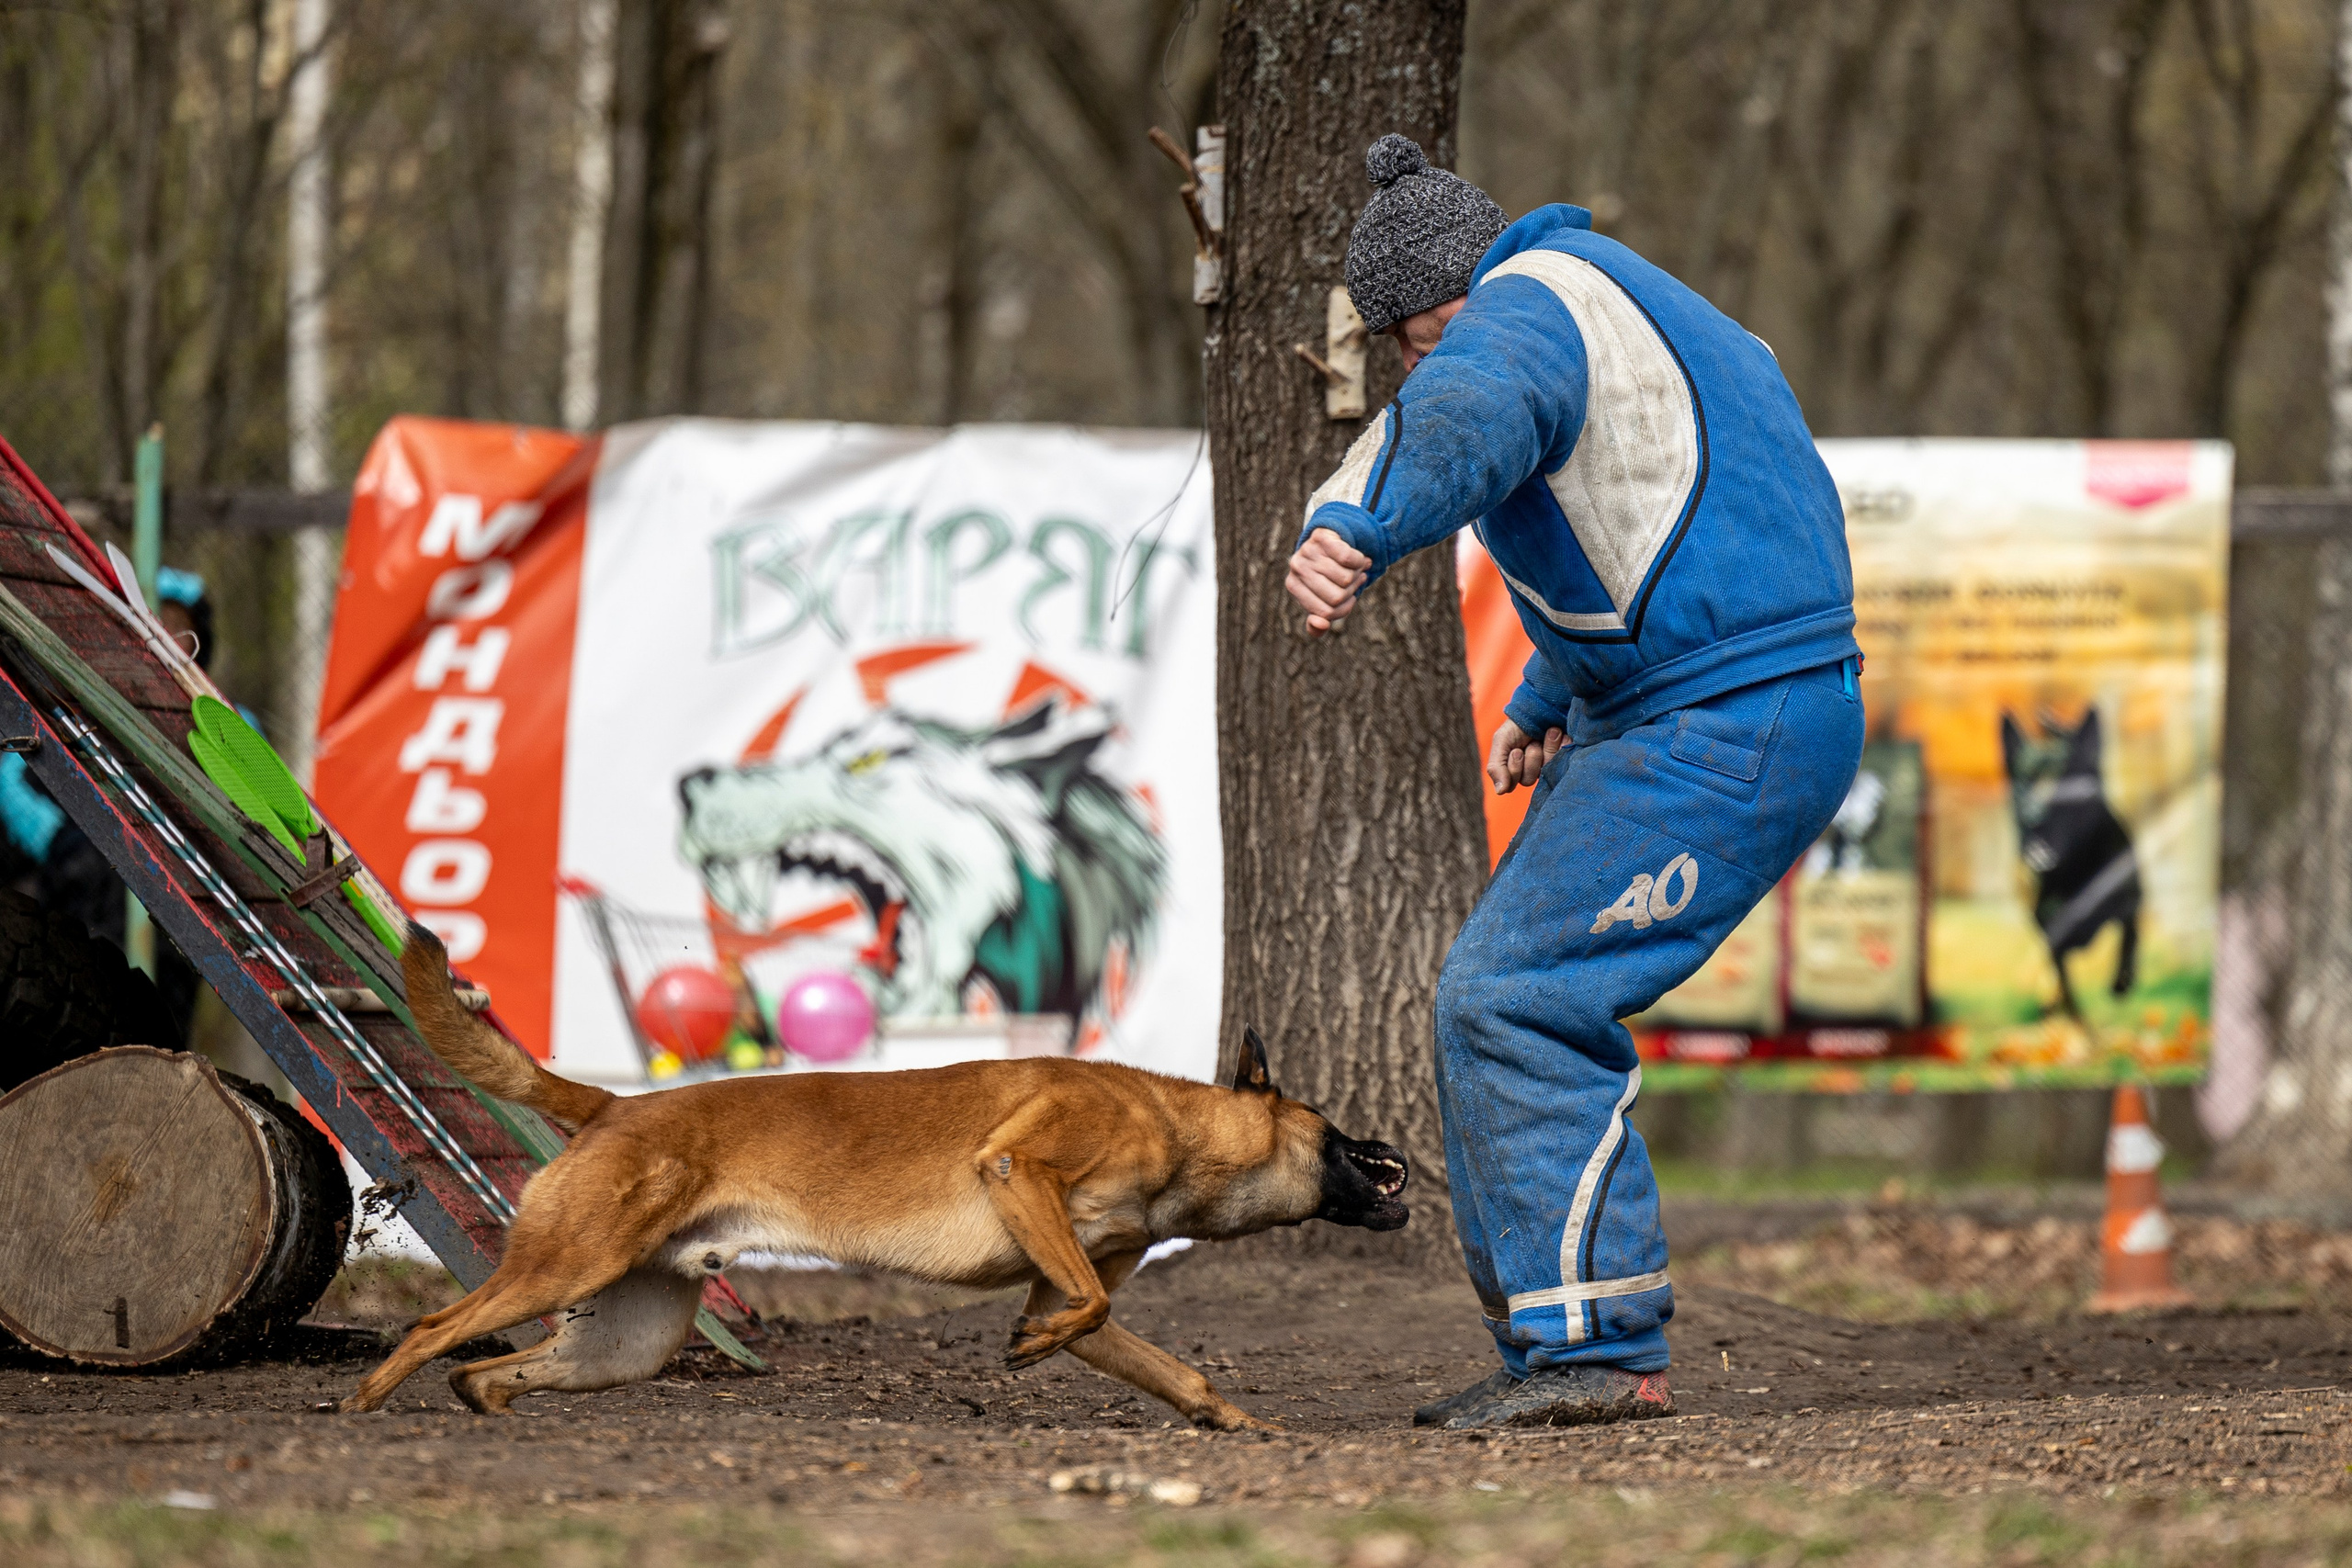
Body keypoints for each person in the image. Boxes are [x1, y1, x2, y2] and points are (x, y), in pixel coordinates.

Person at [1284, 135, 1863, 1429]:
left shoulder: (1523, 309)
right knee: (1494, 996)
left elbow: (1471, 412)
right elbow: (1661, 513)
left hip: (1726, 718)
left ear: (1442, 303)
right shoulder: (1633, 301)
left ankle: (1597, 1351)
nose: (1414, 368)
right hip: (1729, 697)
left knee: (1519, 998)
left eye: (1412, 343)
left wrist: (1349, 524)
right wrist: (1550, 696)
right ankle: (1555, 1335)